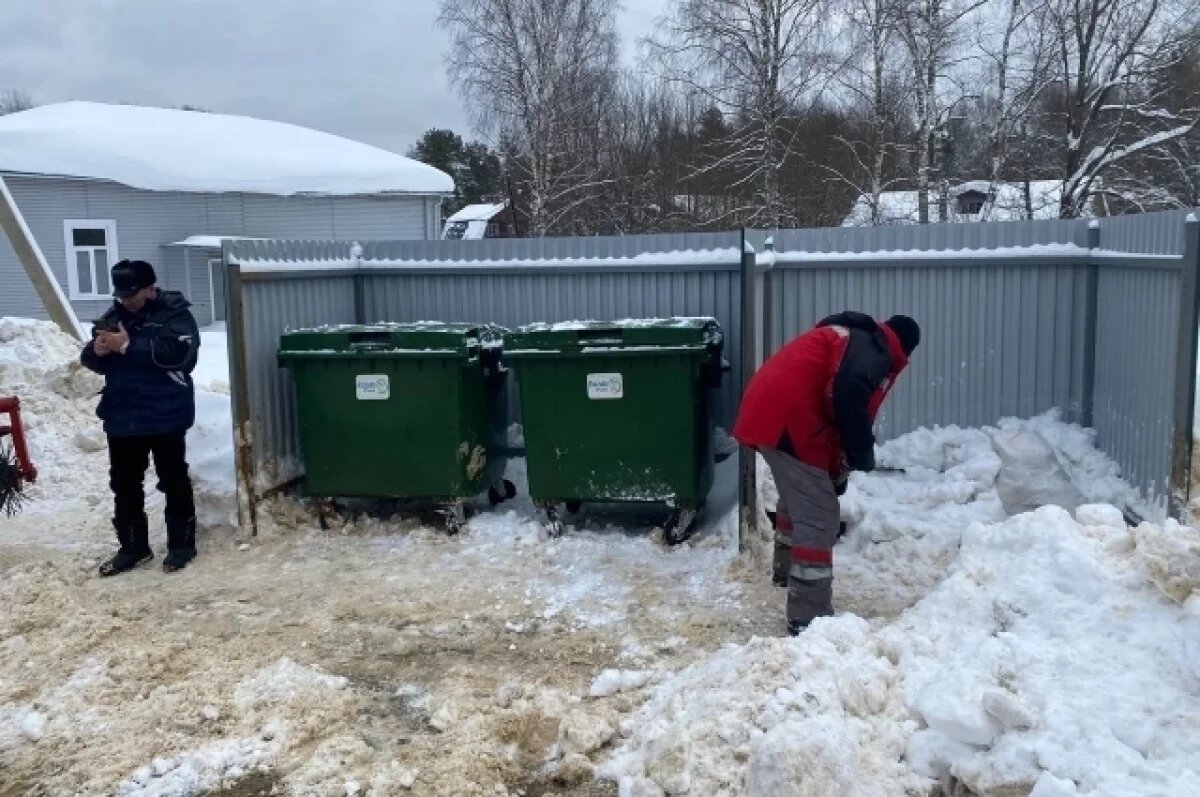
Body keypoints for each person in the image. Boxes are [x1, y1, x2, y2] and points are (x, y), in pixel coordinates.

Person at [733, 311, 920, 635]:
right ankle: (808, 617)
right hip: (790, 419)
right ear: (905, 349)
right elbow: (849, 399)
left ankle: (785, 572)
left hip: (773, 409)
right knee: (818, 513)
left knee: (800, 495)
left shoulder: (852, 338)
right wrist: (860, 451)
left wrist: (838, 468)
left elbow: (834, 405)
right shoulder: (876, 350)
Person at [81, 259, 201, 576]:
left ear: (150, 288)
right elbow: (90, 358)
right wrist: (97, 352)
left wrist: (129, 346)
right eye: (121, 295)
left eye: (132, 294)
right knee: (124, 484)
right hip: (122, 416)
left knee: (173, 479)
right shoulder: (114, 317)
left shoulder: (175, 314)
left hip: (165, 414)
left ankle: (182, 546)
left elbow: (178, 356)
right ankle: (133, 548)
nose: (126, 301)